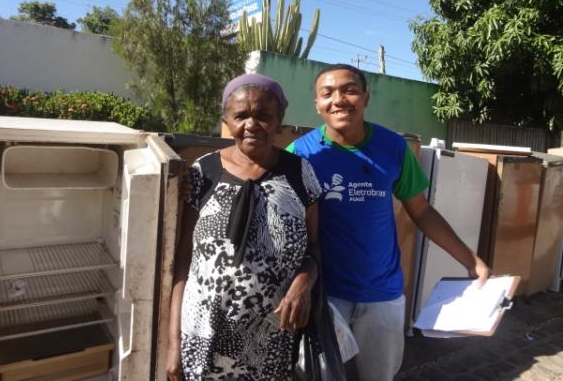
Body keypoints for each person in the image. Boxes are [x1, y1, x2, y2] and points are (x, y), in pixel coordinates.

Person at [286, 63, 491, 381]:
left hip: (383, 295)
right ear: (317, 105)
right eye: (328, 94)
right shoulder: (300, 154)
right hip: (325, 295)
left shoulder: (392, 147)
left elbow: (421, 211)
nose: (339, 99)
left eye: (349, 90)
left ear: (365, 98)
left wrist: (470, 260)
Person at [166, 74, 322, 381]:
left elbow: (314, 248)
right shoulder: (203, 173)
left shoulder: (300, 174)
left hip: (272, 338)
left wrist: (304, 282)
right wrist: (174, 343)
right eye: (241, 116)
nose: (252, 124)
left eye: (263, 116)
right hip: (203, 334)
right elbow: (184, 260)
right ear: (226, 119)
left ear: (280, 119)